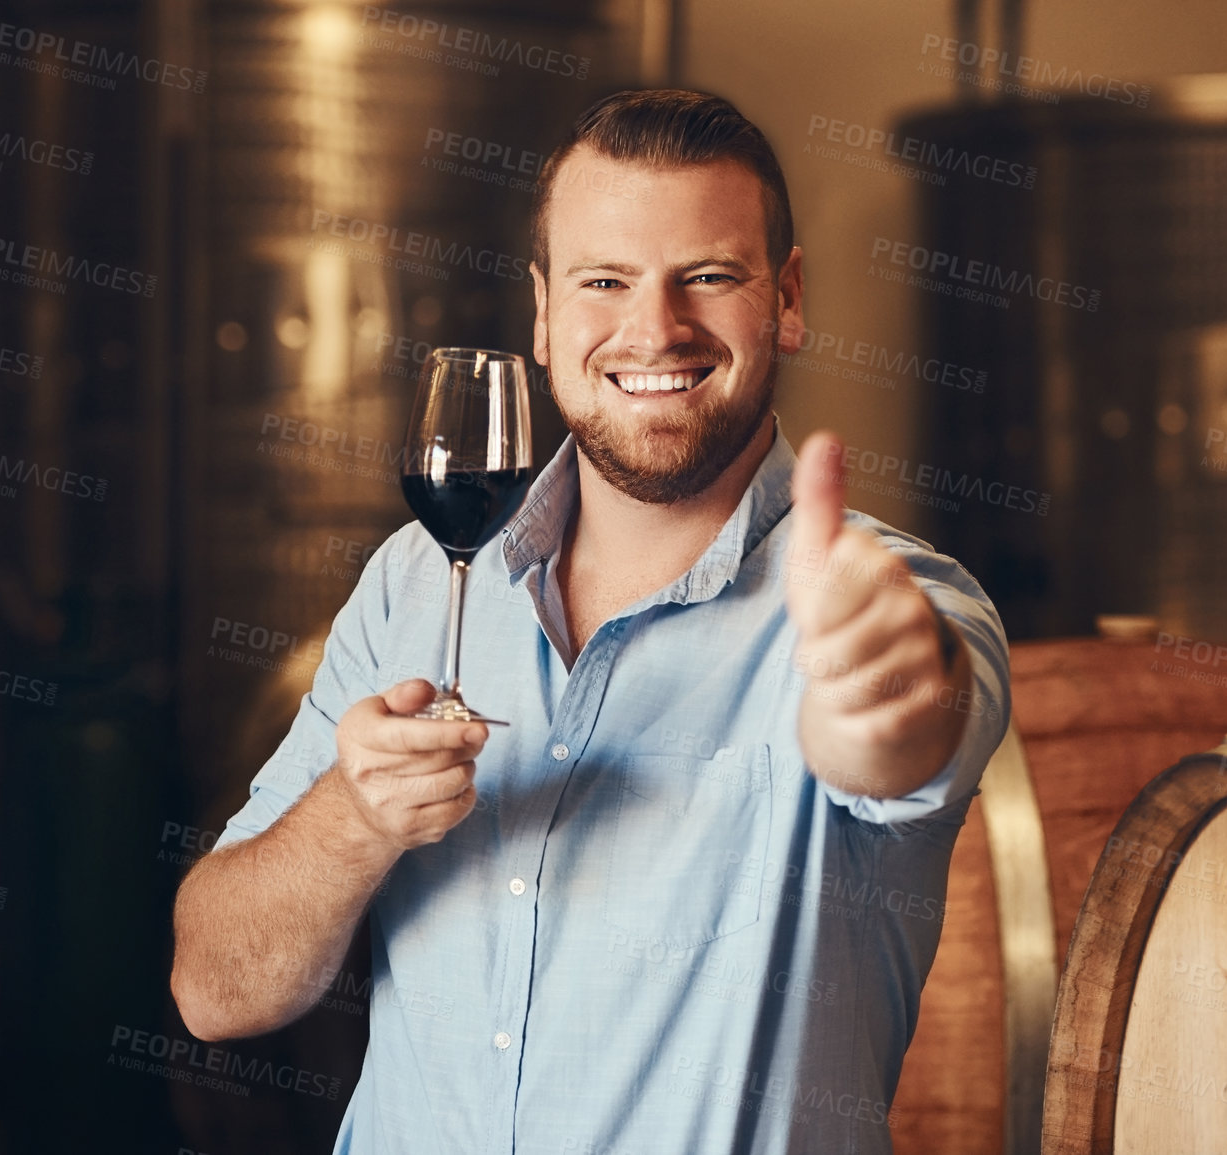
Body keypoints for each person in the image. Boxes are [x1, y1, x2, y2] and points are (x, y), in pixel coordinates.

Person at [171, 88, 1011, 1154]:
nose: (654, 329)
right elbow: (213, 990)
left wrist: (878, 690)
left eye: (707, 277)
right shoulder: (415, 583)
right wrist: (355, 817)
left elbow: (900, 737)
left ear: (788, 299)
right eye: (604, 281)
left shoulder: (898, 600)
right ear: (543, 313)